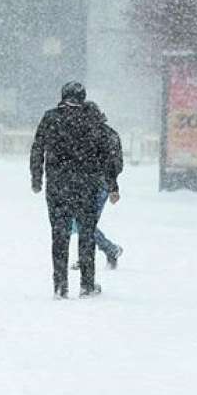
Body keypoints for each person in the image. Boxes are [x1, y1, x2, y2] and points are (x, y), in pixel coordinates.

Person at [30, 82, 120, 299]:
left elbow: (37, 148)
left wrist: (37, 178)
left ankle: (60, 286)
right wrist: (112, 185)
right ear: (83, 97)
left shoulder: (50, 118)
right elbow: (106, 155)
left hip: (57, 186)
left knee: (59, 236)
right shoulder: (92, 120)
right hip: (86, 187)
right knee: (86, 235)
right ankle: (87, 285)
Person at [71, 101, 124, 270]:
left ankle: (109, 249)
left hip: (93, 185)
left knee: (83, 223)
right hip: (98, 185)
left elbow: (109, 165)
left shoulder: (92, 136)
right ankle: (89, 255)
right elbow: (117, 165)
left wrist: (111, 186)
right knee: (85, 223)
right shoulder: (110, 135)